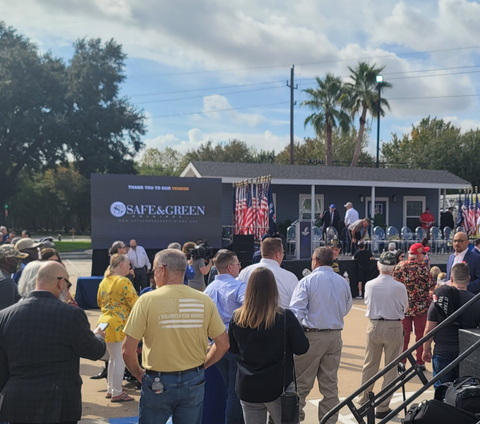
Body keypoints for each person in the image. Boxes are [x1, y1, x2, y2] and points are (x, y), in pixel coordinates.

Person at [122, 249, 229, 424]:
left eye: (154, 271)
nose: (153, 276)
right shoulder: (203, 300)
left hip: (156, 380)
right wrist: (203, 366)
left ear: (162, 270)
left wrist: (139, 374)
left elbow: (127, 350)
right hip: (193, 379)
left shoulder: (147, 300)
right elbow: (223, 344)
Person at [0, 261, 106, 423]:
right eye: (68, 284)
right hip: (58, 402)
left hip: (18, 401)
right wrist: (98, 336)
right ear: (61, 282)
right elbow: (94, 351)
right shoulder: (71, 314)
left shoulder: (5, 316)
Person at [229, 267, 309, 424]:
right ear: (273, 289)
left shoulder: (237, 318)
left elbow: (233, 350)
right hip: (278, 387)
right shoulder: (284, 317)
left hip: (248, 386)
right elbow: (302, 348)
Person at [290, 247, 353, 424]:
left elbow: (296, 312)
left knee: (301, 384)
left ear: (316, 260)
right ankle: (329, 421)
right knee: (330, 385)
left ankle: (294, 419)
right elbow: (346, 307)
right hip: (335, 335)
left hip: (312, 335)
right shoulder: (342, 282)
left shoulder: (307, 281)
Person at [356, 252, 408, 419]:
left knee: (369, 365)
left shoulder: (370, 284)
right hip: (393, 326)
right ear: (394, 268)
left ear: (379, 266)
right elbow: (405, 308)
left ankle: (363, 401)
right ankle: (382, 406)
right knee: (391, 368)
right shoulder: (399, 286)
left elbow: (367, 302)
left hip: (374, 325)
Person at [205, 249, 247, 424]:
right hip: (236, 345)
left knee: (230, 388)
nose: (239, 267)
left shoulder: (208, 290)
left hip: (215, 345)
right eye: (238, 264)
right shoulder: (239, 287)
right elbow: (250, 309)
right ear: (230, 267)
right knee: (235, 391)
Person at [423, 263, 480, 387]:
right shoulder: (476, 301)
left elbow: (429, 329)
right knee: (466, 392)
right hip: (467, 353)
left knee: (442, 390)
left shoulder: (440, 300)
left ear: (451, 278)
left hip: (443, 351)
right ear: (468, 279)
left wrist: (425, 349)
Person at [97, 253, 138, 402]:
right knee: (119, 359)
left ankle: (112, 389)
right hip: (119, 323)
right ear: (121, 264)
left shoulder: (104, 281)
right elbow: (135, 303)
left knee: (113, 358)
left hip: (105, 322)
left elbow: (99, 301)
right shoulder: (124, 281)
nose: (129, 266)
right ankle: (117, 392)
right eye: (128, 263)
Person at [393, 243, 435, 370]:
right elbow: (431, 287)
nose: (425, 255)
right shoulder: (424, 269)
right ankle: (420, 363)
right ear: (419, 255)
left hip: (403, 307)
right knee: (420, 336)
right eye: (423, 253)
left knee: (404, 336)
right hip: (421, 308)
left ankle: (401, 362)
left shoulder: (399, 267)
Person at [238, 237, 298, 308]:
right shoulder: (289, 277)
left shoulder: (244, 272)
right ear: (277, 254)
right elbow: (297, 305)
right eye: (282, 253)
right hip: (280, 314)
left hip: (250, 314)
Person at [0, 245, 26, 310]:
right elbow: (5, 311)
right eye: (17, 259)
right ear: (8, 260)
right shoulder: (6, 282)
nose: (20, 261)